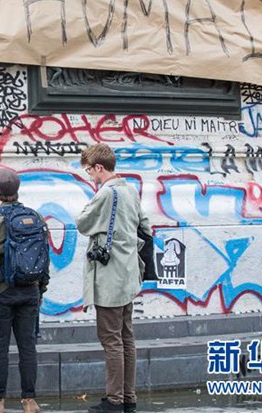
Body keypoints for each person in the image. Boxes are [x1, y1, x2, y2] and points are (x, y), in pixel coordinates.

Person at [77, 144, 150, 413]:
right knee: (126, 337)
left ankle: (114, 400)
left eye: (89, 170)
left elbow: (83, 223)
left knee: (111, 340)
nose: (89, 175)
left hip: (109, 278)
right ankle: (128, 398)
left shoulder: (106, 193)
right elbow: (146, 225)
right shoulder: (130, 189)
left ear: (99, 167)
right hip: (129, 275)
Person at [0, 168, 48, 413]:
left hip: (0, 294)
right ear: (17, 190)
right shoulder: (34, 216)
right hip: (29, 292)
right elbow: (43, 256)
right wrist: (41, 289)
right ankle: (30, 401)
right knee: (28, 347)